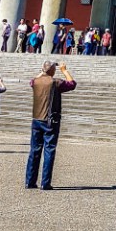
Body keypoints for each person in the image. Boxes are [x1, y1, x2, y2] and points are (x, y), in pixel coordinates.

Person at [25, 60, 76, 191]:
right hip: (50, 121)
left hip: (36, 119)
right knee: (49, 150)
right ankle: (45, 183)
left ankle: (30, 181)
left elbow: (32, 80)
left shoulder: (35, 82)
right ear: (53, 71)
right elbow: (72, 84)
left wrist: (43, 71)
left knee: (34, 151)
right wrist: (64, 70)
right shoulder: (55, 82)